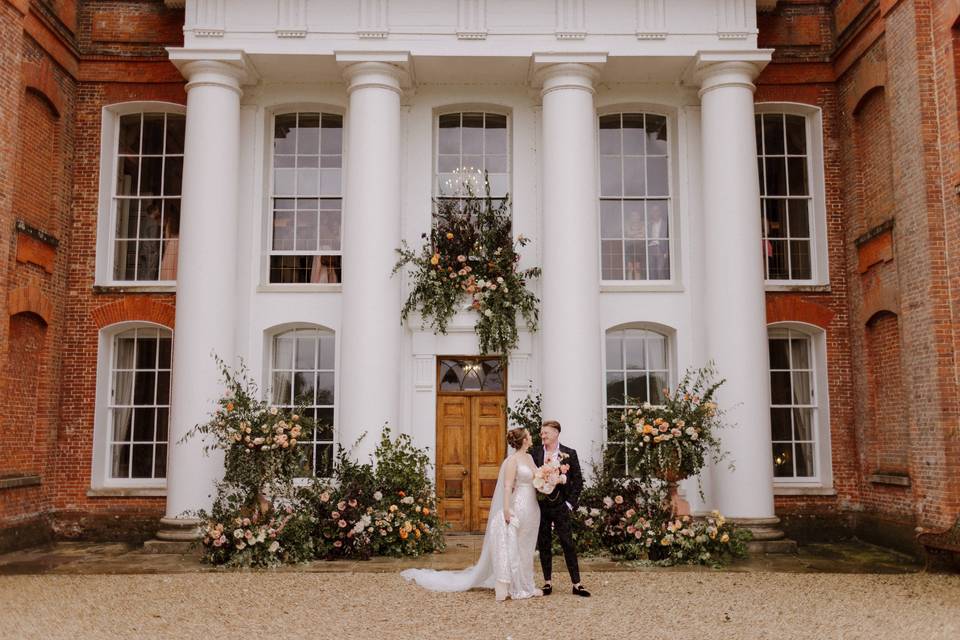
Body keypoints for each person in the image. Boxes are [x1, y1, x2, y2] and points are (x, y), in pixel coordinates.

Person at [400, 427, 543, 601]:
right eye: (528, 434)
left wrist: (549, 478)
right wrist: (506, 509)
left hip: (532, 507)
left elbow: (538, 477)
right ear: (524, 440)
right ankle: (516, 585)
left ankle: (527, 584)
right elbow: (507, 486)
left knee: (527, 547)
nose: (531, 436)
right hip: (519, 505)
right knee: (515, 546)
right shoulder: (512, 461)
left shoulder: (529, 457)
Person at [530, 420, 590, 597]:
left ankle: (576, 584)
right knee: (544, 544)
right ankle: (547, 582)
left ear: (556, 433)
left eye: (546, 432)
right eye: (542, 433)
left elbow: (578, 482)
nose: (543, 435)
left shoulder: (569, 454)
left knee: (567, 544)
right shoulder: (535, 453)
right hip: (541, 506)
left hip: (561, 506)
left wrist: (569, 504)